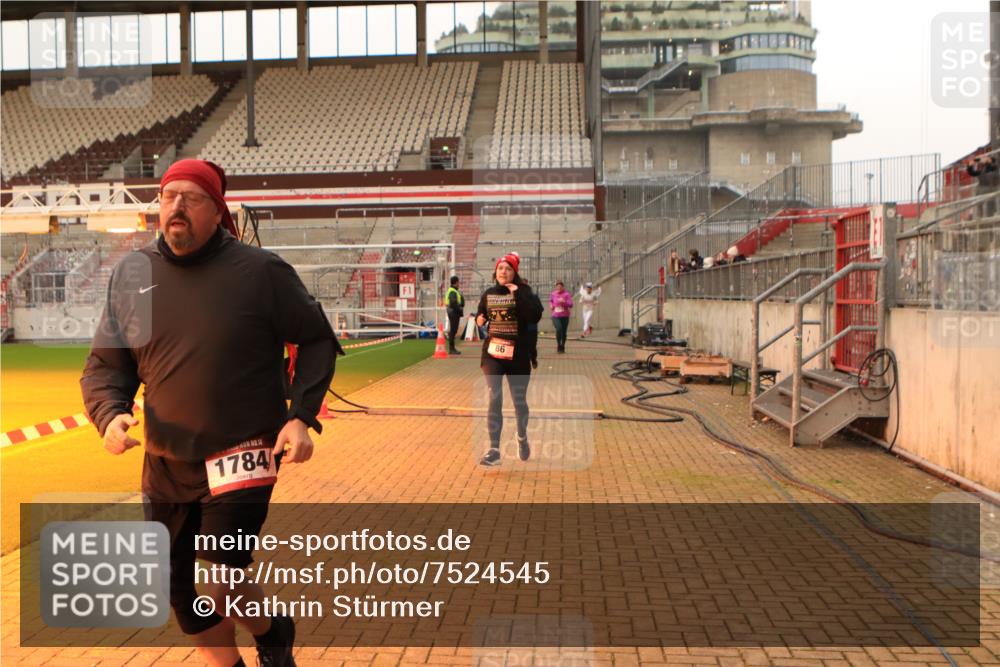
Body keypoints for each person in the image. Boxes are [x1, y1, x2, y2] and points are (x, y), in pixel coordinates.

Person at [80, 159, 342, 667]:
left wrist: (300, 415)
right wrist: (109, 412)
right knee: (185, 598)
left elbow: (317, 340)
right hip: (166, 462)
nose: (176, 206)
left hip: (242, 453)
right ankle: (272, 630)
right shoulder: (133, 277)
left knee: (217, 578)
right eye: (168, 196)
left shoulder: (262, 272)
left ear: (216, 209)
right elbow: (106, 365)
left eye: (192, 197)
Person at [474, 252, 543, 466]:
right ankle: (494, 449)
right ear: (496, 271)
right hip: (493, 354)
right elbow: (480, 314)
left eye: (508, 269)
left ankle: (522, 437)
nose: (503, 272)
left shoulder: (525, 292)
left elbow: (534, 315)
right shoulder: (488, 293)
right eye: (501, 268)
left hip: (518, 355)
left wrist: (518, 294)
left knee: (519, 402)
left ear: (515, 273)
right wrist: (480, 319)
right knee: (495, 397)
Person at [549, 280, 573, 353]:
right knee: (559, 328)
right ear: (556, 287)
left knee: (564, 332)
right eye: (557, 286)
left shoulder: (566, 294)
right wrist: (551, 305)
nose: (559, 288)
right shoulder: (553, 294)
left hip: (565, 315)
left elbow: (571, 304)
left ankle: (562, 345)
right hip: (555, 315)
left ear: (563, 287)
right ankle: (559, 344)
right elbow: (551, 301)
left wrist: (564, 302)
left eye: (560, 286)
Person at [445, 275, 464, 355]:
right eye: (458, 282)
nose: (459, 284)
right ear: (456, 283)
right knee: (453, 330)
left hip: (453, 312)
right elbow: (453, 303)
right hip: (454, 313)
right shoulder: (453, 291)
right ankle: (451, 349)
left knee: (453, 330)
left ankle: (452, 348)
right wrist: (459, 309)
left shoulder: (453, 290)